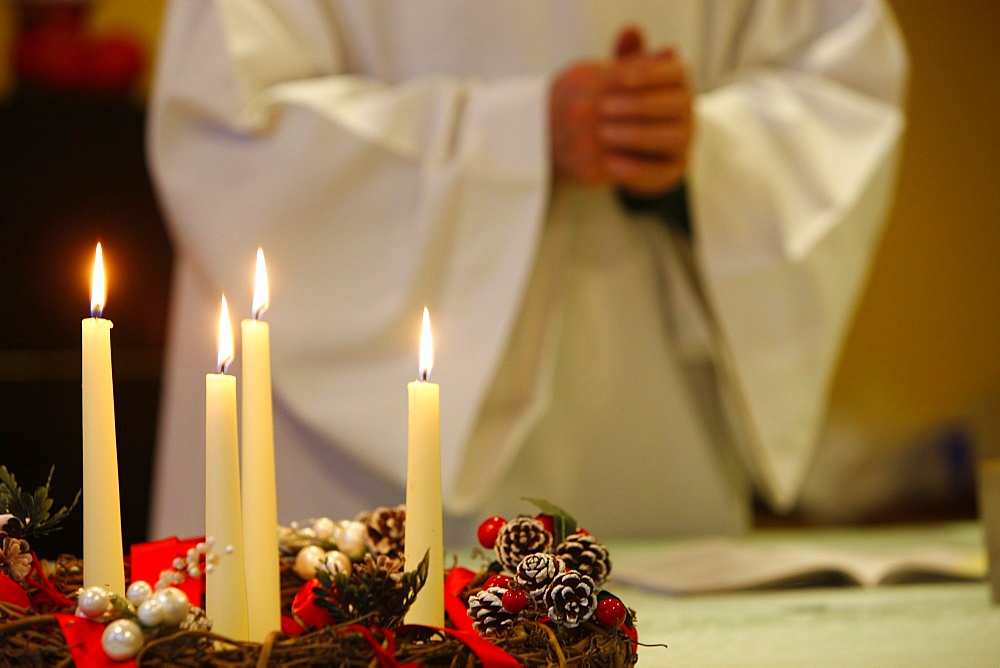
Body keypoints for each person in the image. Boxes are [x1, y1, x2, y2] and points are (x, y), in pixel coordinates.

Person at [146, 0, 908, 541]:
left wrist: (704, 155)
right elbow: (228, 128)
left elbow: (841, 89)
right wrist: (513, 138)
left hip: (649, 435)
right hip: (341, 476)